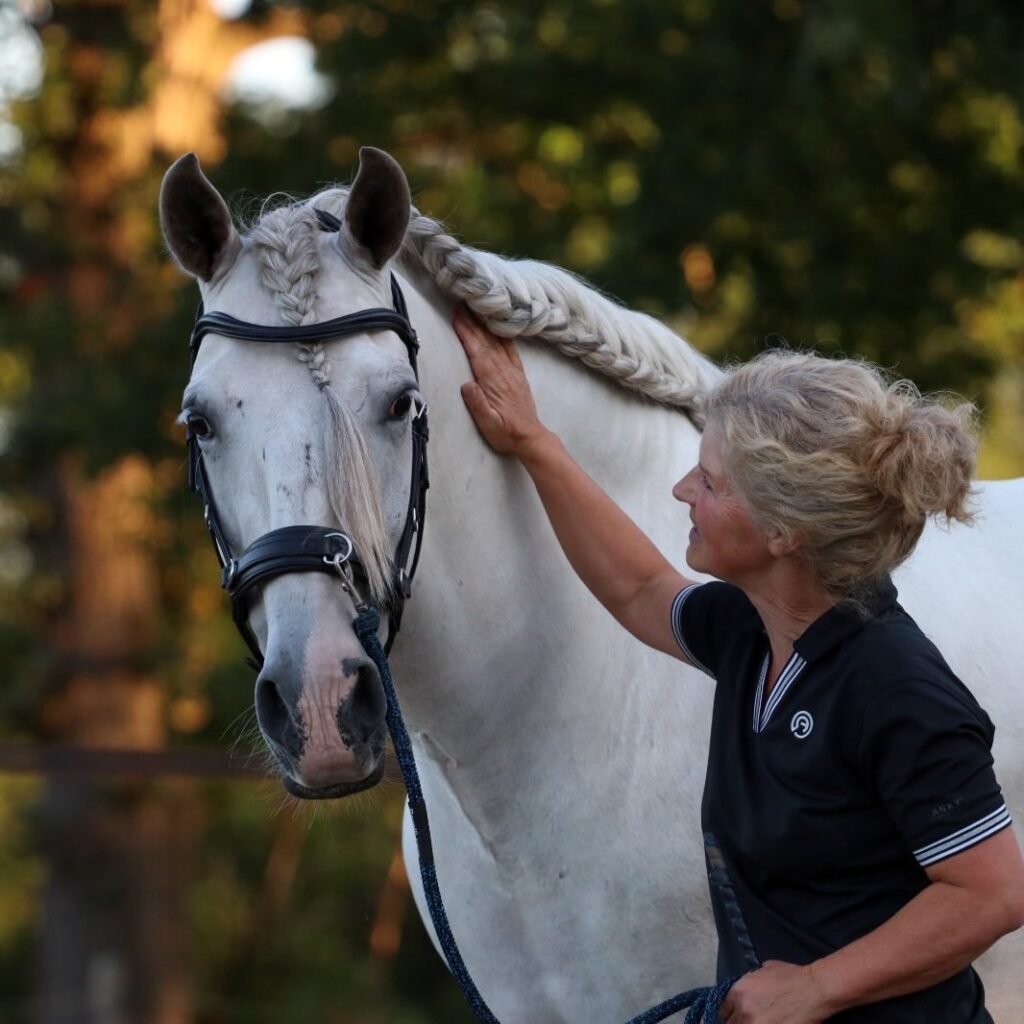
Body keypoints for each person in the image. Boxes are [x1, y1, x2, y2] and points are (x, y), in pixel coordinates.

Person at [452, 306, 1024, 1024]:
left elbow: (991, 893)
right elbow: (640, 589)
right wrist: (536, 444)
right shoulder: (754, 633)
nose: (683, 492)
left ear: (786, 530)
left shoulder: (898, 690)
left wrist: (817, 988)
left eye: (712, 483)